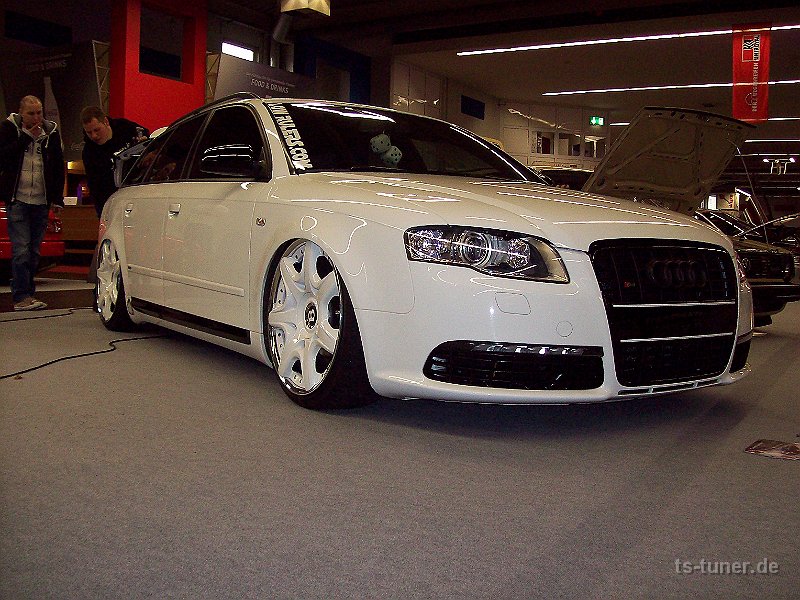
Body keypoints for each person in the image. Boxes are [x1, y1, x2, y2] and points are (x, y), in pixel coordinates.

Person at [0, 95, 65, 311]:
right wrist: (26, 137)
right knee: (21, 249)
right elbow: (3, 157)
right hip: (17, 199)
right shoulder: (8, 129)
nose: (36, 118)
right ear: (21, 113)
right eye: (31, 113)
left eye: (39, 113)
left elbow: (57, 167)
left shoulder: (51, 133)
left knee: (34, 251)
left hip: (40, 200)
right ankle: (21, 296)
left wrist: (57, 198)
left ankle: (28, 293)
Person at [80, 106, 148, 218]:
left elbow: (145, 134)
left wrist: (143, 140)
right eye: (89, 132)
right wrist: (102, 214)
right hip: (114, 200)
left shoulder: (124, 127)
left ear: (106, 122)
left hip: (139, 191)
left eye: (97, 130)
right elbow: (95, 187)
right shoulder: (89, 152)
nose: (94, 136)